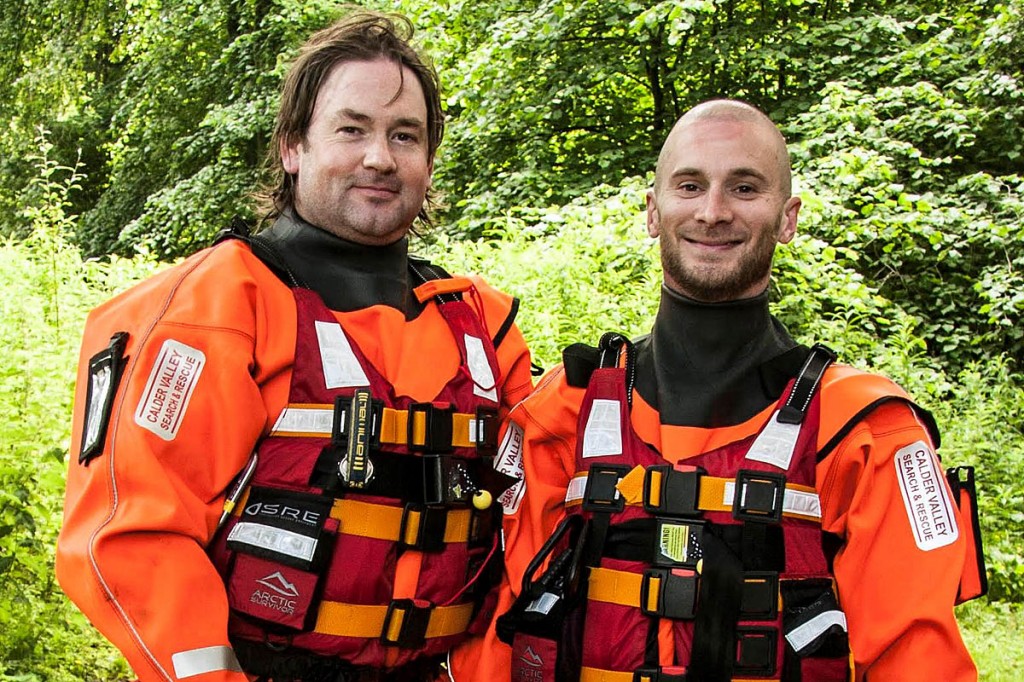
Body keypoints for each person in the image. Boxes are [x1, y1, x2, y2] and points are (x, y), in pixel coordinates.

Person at [56, 11, 533, 682]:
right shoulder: (220, 305)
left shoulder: (482, 325)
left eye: (405, 136)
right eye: (351, 129)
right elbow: (129, 538)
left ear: (428, 160)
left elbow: (538, 524)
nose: (380, 157)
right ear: (291, 147)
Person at [463, 99, 984, 682]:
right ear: (653, 211)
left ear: (787, 219)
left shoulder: (864, 431)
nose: (713, 212)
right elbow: (504, 630)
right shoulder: (564, 409)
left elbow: (917, 661)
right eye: (690, 185)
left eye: (744, 187)